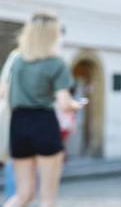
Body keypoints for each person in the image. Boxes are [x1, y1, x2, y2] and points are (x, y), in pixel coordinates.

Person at [1, 12, 82, 207]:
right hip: (43, 122)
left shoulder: (16, 60)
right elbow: (64, 103)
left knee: (23, 194)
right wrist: (76, 104)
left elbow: (3, 91)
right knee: (47, 198)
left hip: (18, 124)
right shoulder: (55, 63)